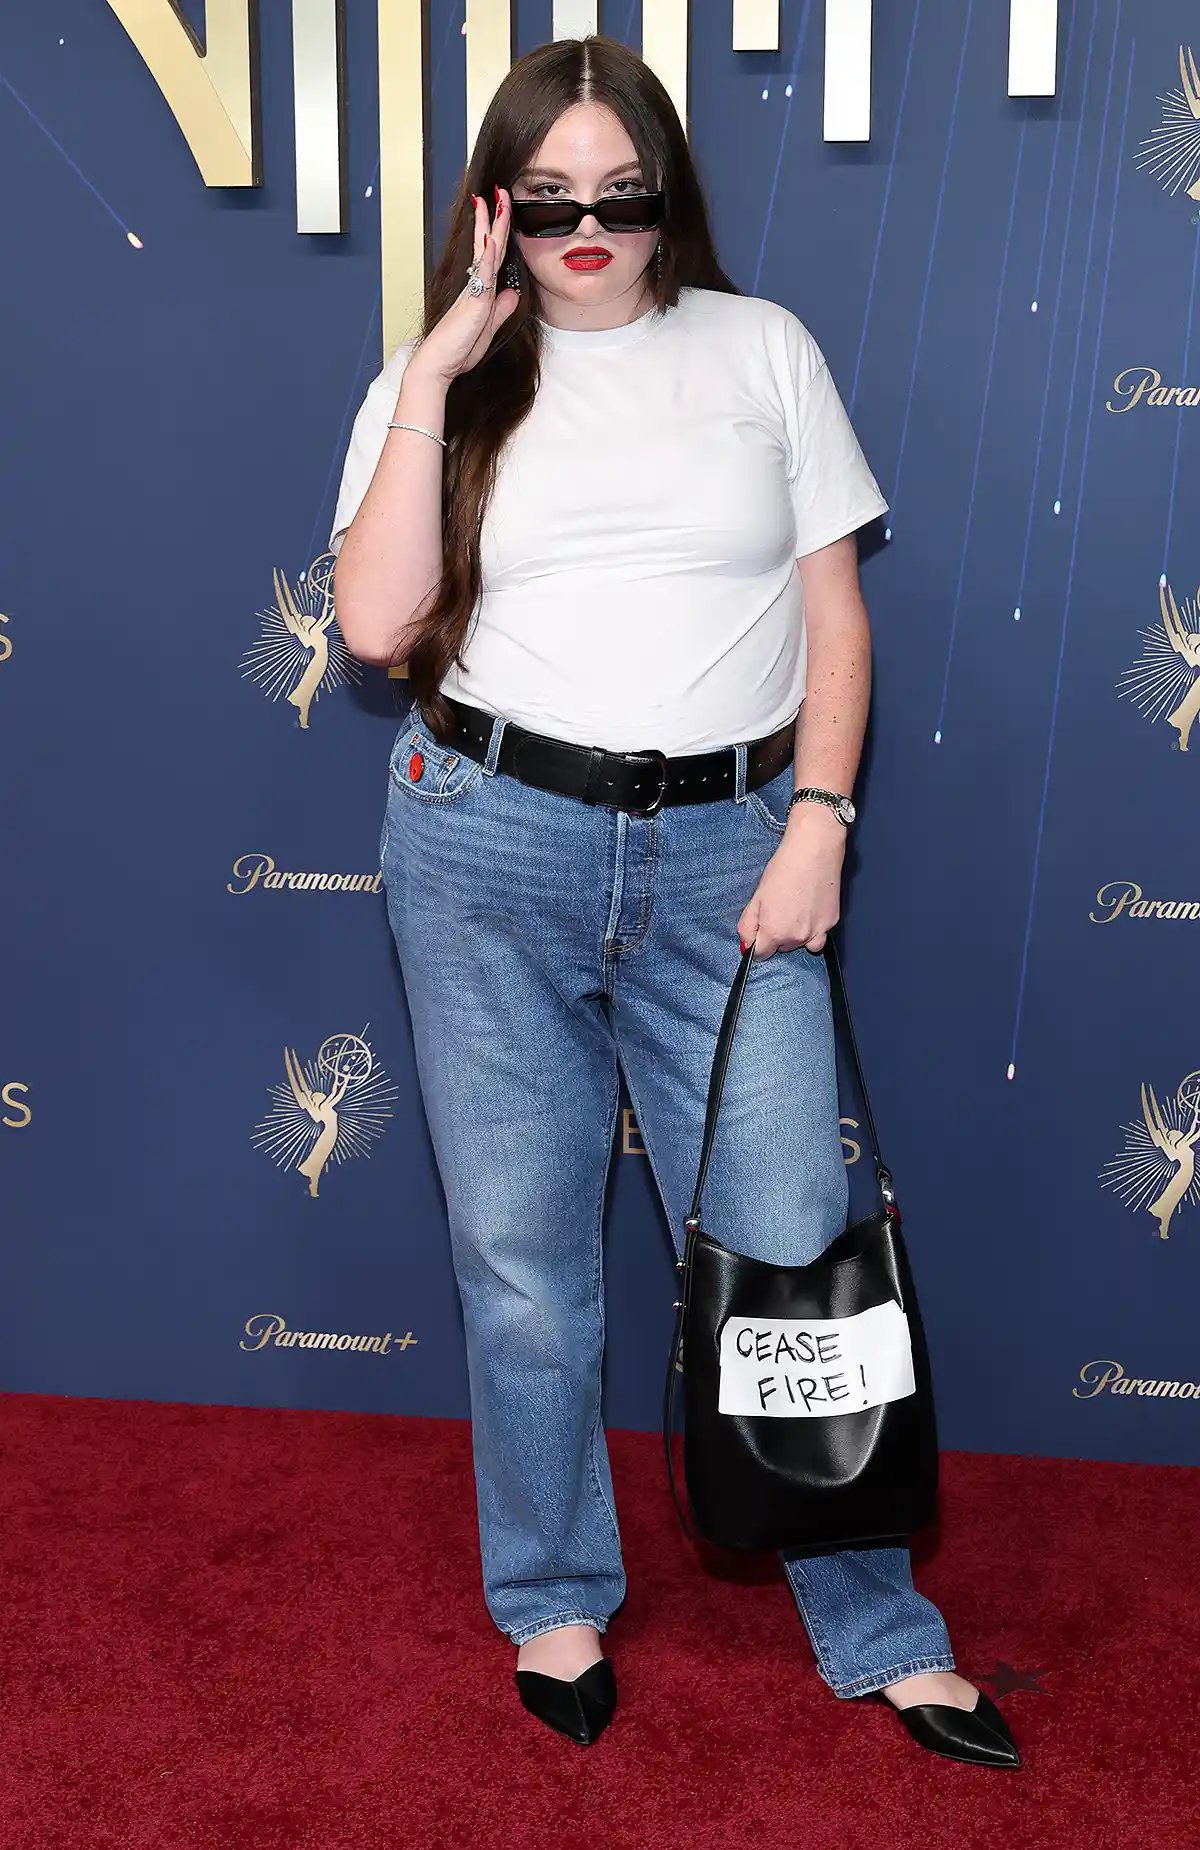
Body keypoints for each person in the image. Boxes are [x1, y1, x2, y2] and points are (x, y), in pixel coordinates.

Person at [329, 33, 1020, 1770]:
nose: (585, 228)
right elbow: (372, 629)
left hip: (738, 852)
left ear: (667, 198)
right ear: (495, 205)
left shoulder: (761, 350)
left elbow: (837, 626)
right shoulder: (445, 378)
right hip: (487, 839)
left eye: (618, 195)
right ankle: (553, 1590)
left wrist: (823, 818)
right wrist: (440, 363)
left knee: (793, 1250)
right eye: (545, 197)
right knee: (525, 1263)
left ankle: (877, 1623)